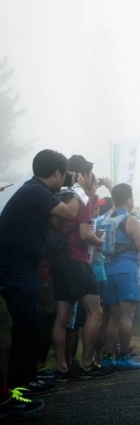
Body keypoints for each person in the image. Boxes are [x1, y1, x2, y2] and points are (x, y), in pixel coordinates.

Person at [0, 150, 88, 414]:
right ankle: (18, 385)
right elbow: (71, 215)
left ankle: (25, 380)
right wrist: (77, 190)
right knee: (25, 324)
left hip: (22, 266)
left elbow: (59, 225)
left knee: (28, 323)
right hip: (12, 266)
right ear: (58, 173)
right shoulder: (34, 190)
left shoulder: (39, 193)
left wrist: (68, 192)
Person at [50, 155, 107, 380]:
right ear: (82, 176)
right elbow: (85, 234)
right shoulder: (81, 198)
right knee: (96, 312)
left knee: (62, 317)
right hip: (78, 261)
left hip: (59, 261)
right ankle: (87, 364)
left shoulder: (58, 196)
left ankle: (61, 366)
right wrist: (100, 241)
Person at [101, 183, 140, 371]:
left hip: (109, 269)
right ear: (129, 199)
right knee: (127, 317)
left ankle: (108, 357)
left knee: (113, 318)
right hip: (127, 269)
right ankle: (124, 356)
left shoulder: (107, 219)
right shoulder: (130, 219)